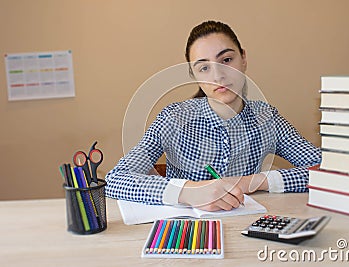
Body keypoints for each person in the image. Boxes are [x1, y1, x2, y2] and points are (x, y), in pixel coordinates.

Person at [105, 20, 321, 211]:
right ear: (193, 74)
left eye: (226, 60)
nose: (218, 75)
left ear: (243, 58)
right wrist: (189, 192)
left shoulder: (267, 118)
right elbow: (116, 180)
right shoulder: (172, 119)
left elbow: (328, 172)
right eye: (204, 68)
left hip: (248, 232)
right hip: (185, 237)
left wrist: (250, 182)